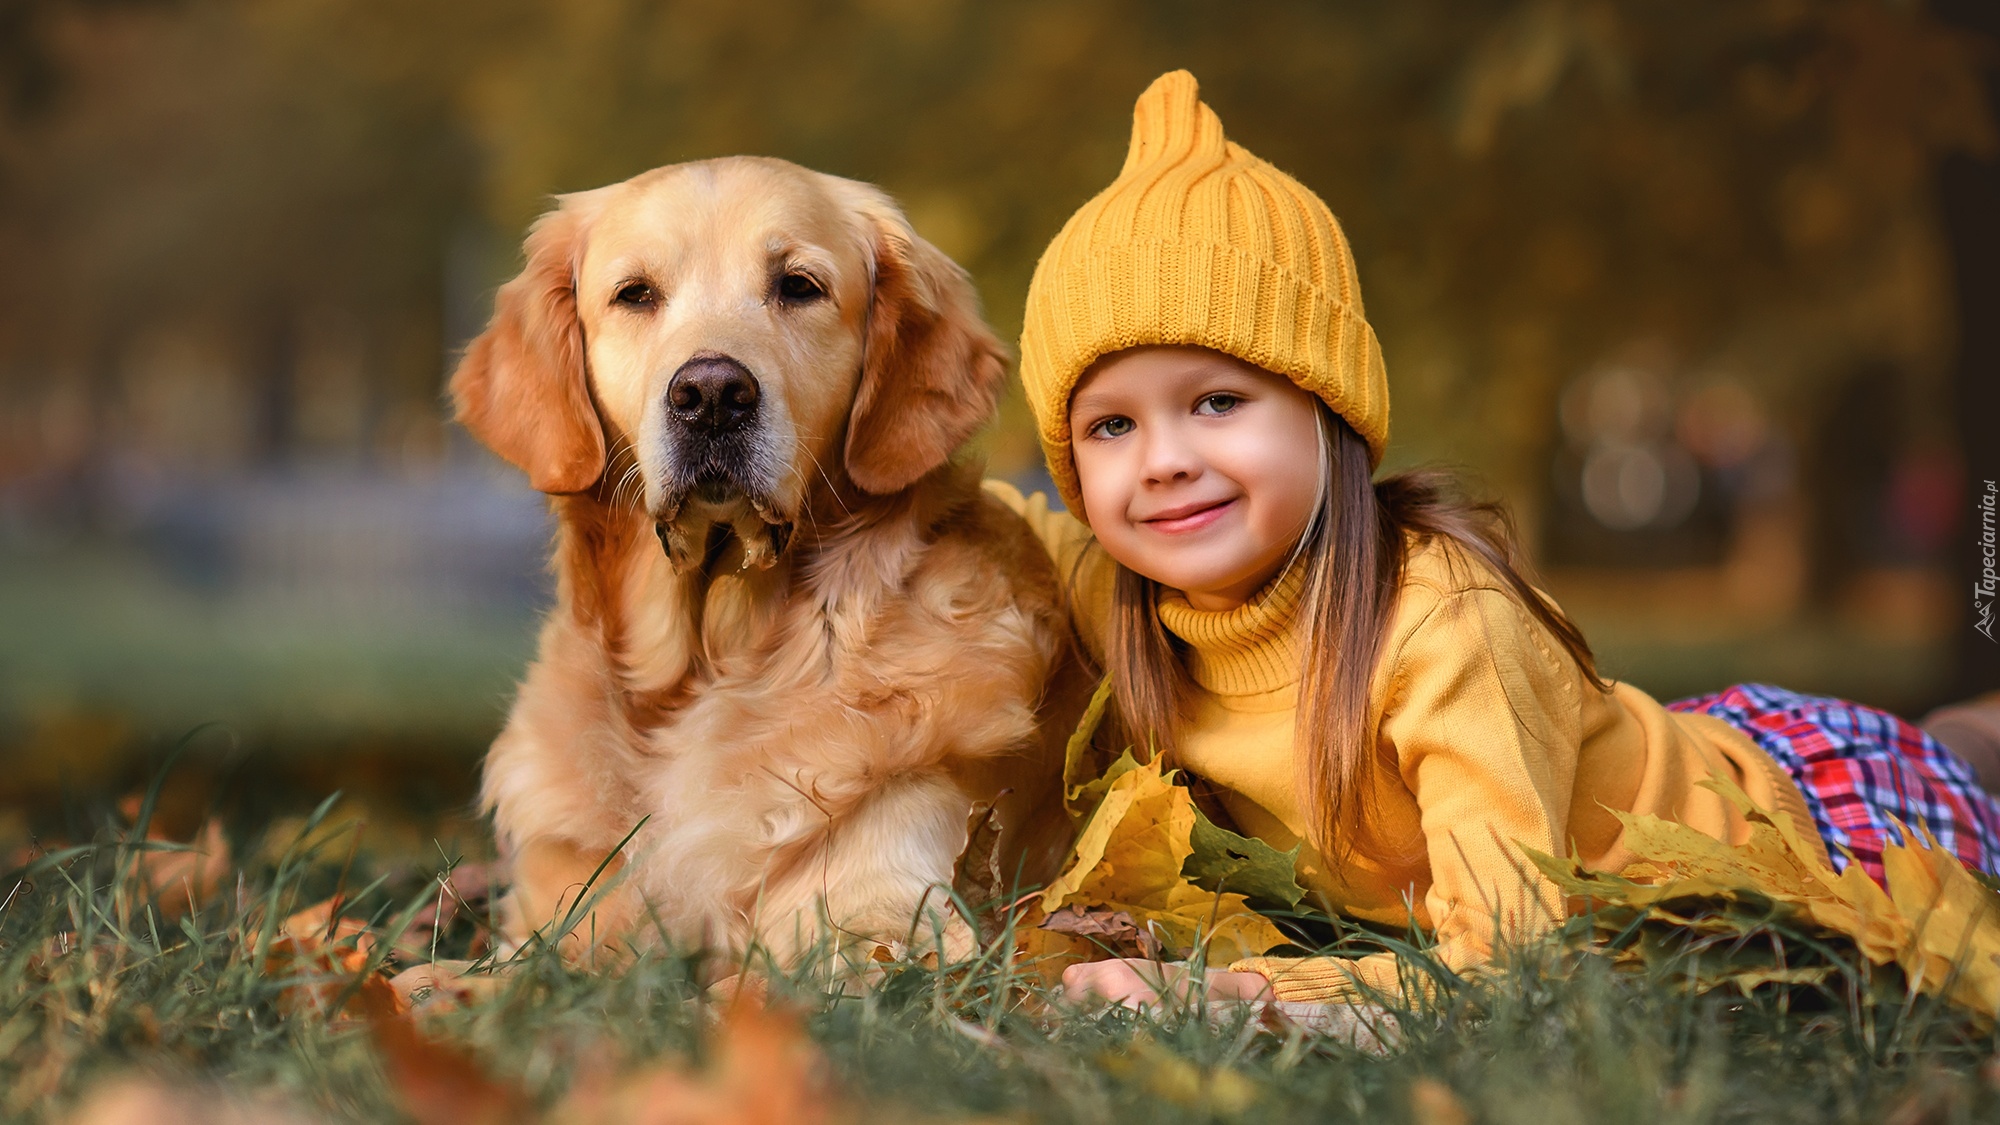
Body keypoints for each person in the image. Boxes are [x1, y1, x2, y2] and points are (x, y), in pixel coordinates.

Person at [986, 70, 2000, 1009]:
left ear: (1325, 411)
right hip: (1641, 752)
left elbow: (1509, 961)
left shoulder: (1438, 623)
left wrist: (1242, 994)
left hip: (1796, 832)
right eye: (1110, 426)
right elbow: (936, 498)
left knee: (1962, 756)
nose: (1160, 459)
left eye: (1214, 401)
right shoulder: (1112, 587)